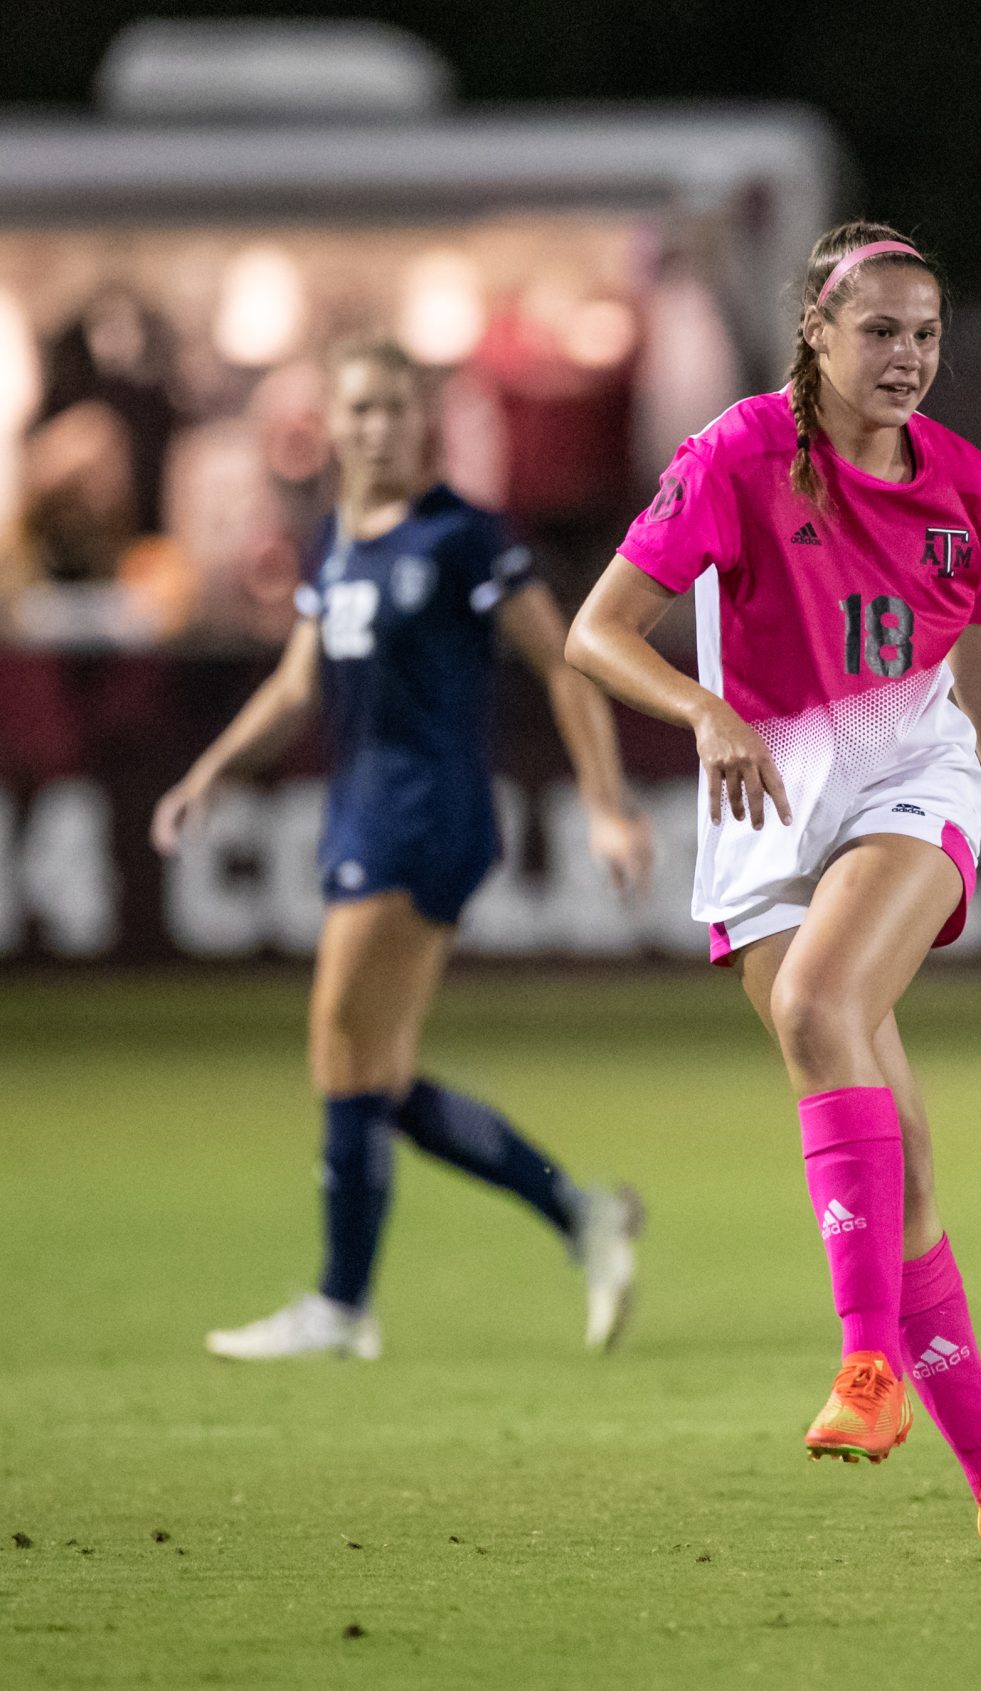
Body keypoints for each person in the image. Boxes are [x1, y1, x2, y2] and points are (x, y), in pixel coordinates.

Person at [564, 221, 981, 1568]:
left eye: (926, 332)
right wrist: (700, 712)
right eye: (881, 330)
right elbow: (592, 632)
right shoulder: (736, 456)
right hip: (761, 790)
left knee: (819, 999)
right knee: (906, 1171)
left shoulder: (963, 481)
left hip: (906, 771)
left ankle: (866, 1359)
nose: (909, 355)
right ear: (815, 330)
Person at [154, 336, 654, 1361]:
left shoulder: (463, 535)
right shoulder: (337, 536)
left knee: (341, 1040)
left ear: (424, 420)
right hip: (364, 808)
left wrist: (605, 805)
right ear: (329, 425)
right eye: (360, 410)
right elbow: (298, 684)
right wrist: (209, 772)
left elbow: (564, 664)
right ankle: (581, 1216)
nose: (378, 427)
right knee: (372, 1073)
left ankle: (343, 1306)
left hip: (428, 813)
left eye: (395, 408)